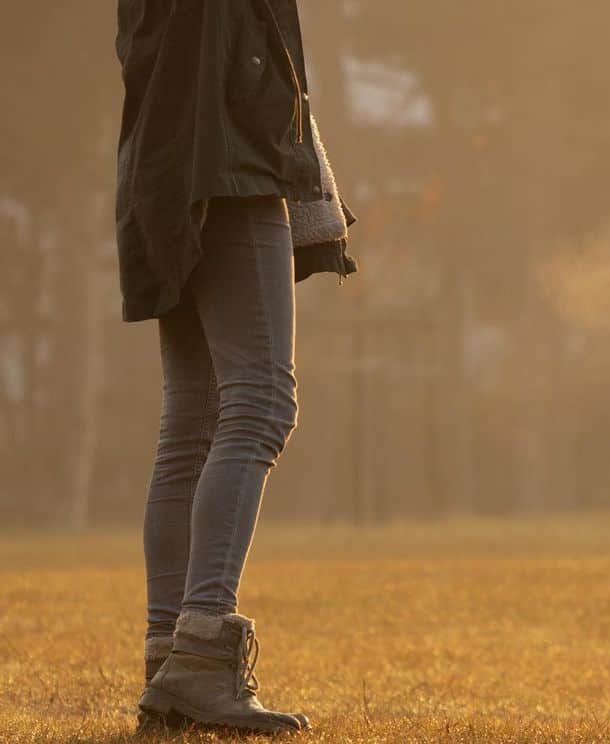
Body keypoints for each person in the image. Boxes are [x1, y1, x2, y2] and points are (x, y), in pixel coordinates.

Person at [114, 0, 357, 733]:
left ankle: (168, 664)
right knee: (260, 403)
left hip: (161, 182)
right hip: (226, 177)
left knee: (191, 422)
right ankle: (200, 651)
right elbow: (236, 68)